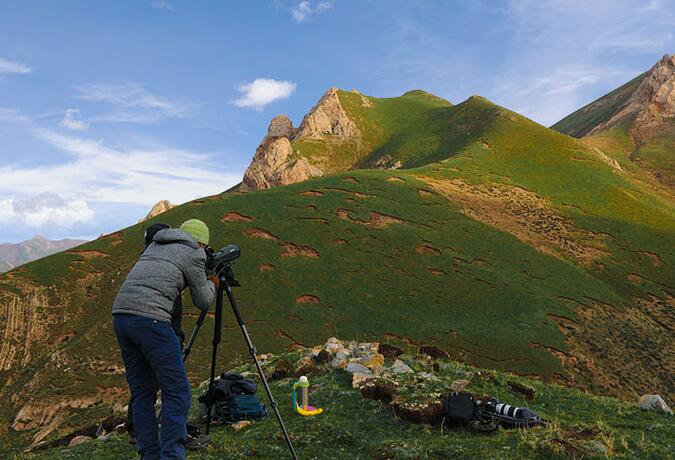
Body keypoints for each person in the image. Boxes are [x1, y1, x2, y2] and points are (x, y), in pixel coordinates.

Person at [113, 219, 219, 459]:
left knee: (142, 392)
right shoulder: (194, 253)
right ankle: (172, 455)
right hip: (151, 320)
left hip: (121, 317)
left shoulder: (155, 245)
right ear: (201, 243)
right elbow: (203, 300)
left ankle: (148, 454)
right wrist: (211, 282)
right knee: (178, 392)